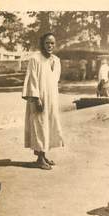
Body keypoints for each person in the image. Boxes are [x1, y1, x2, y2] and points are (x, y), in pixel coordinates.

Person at [22, 33, 63, 170]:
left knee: (49, 125)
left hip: (52, 98)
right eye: (47, 43)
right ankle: (39, 159)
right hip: (39, 97)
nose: (50, 46)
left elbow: (54, 80)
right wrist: (36, 98)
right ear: (42, 44)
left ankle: (43, 155)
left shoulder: (56, 60)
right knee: (39, 126)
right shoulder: (35, 59)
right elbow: (32, 79)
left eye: (52, 43)